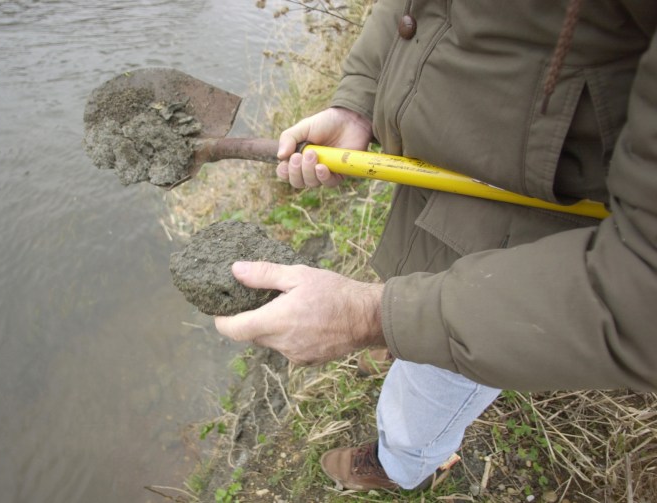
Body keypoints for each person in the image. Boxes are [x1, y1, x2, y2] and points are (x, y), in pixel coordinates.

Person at [215, 0, 657, 492]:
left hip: (535, 216)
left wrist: (374, 318)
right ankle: (404, 343)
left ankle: (405, 463)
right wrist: (359, 100)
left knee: (437, 373)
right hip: (450, 165)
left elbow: (644, 290)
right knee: (416, 288)